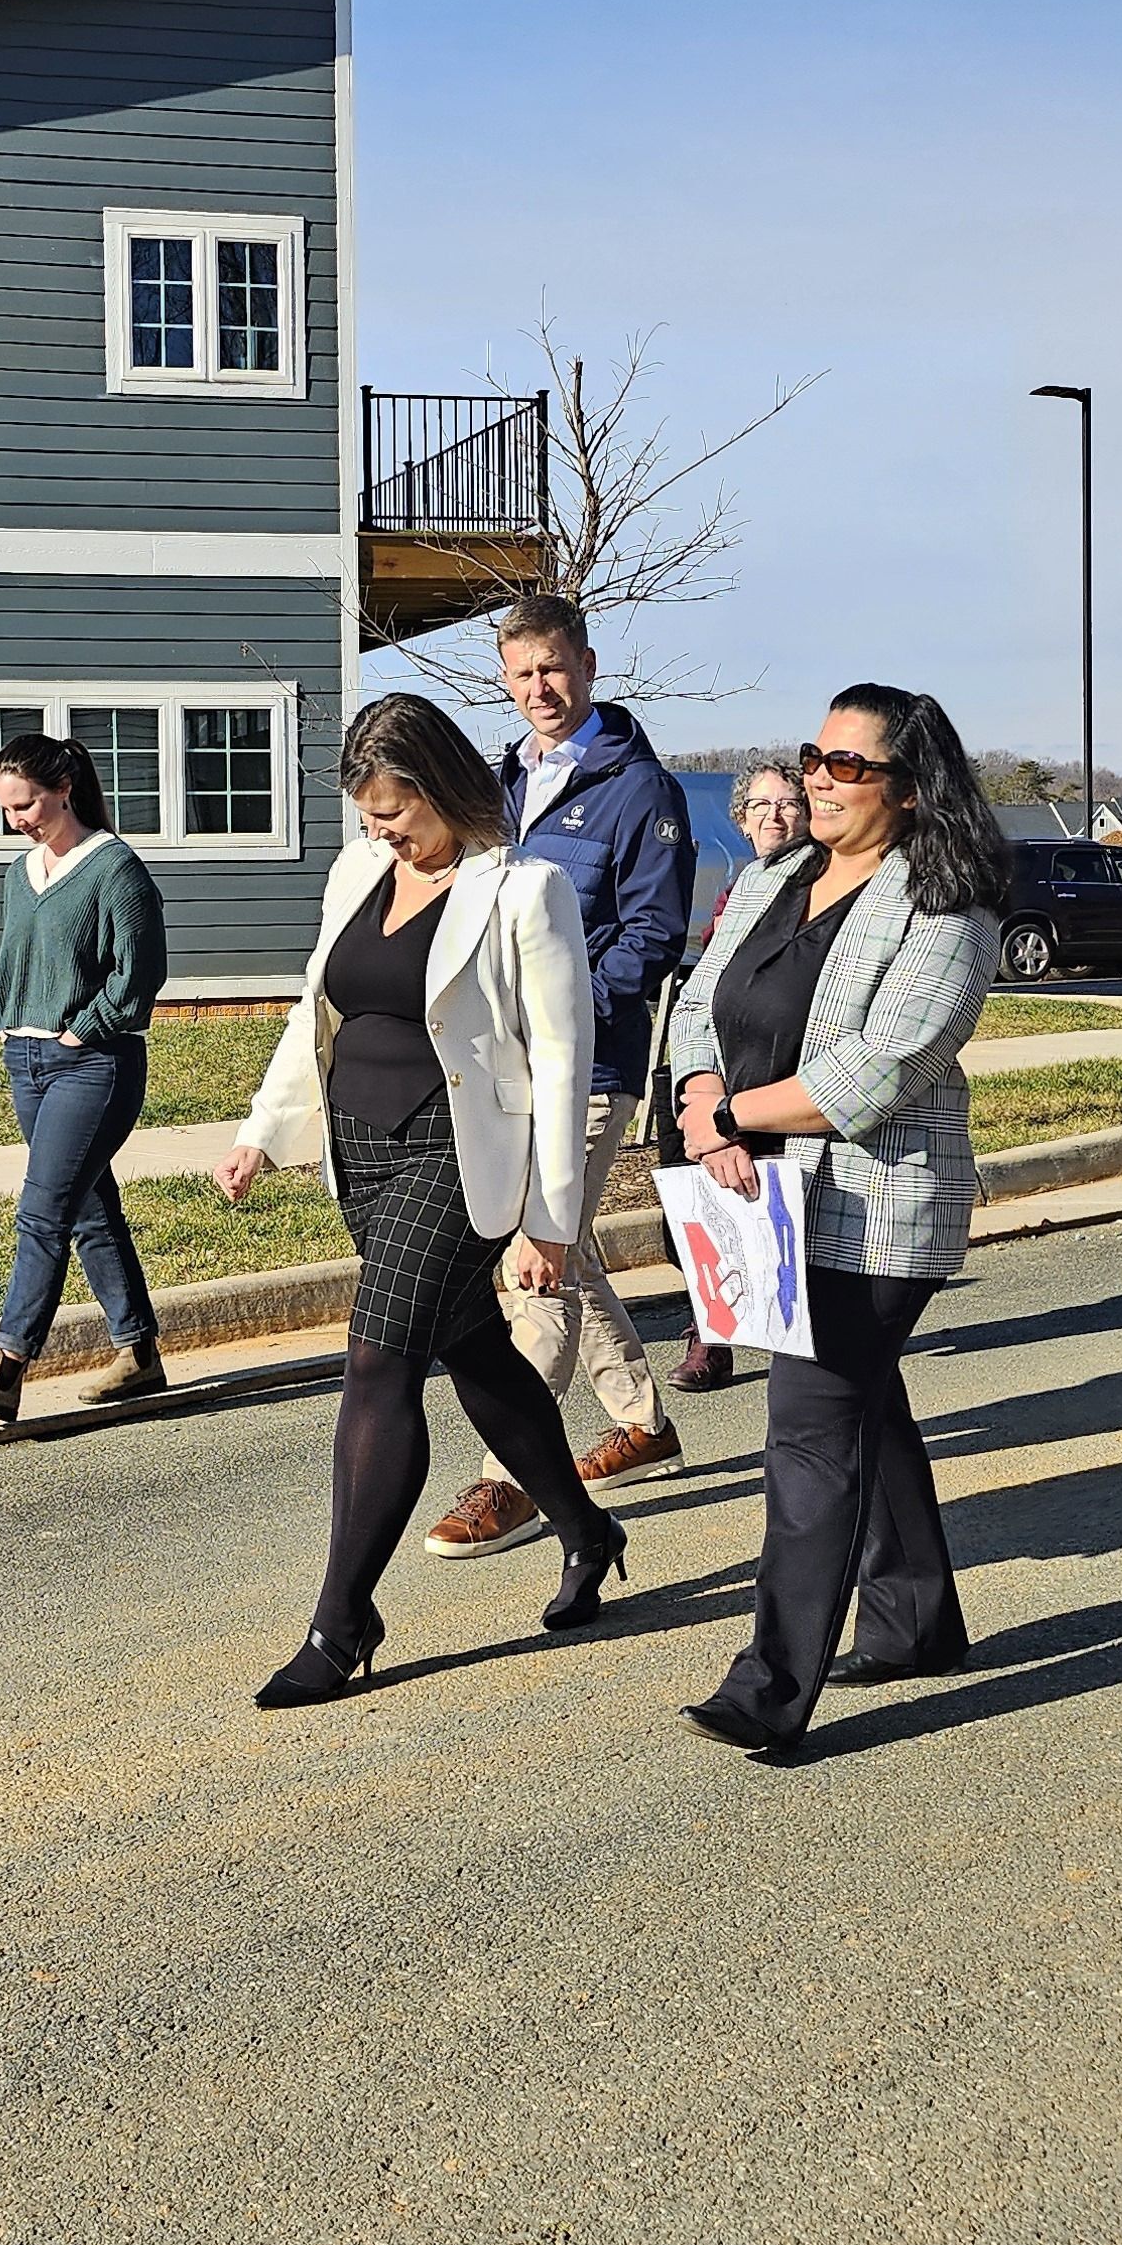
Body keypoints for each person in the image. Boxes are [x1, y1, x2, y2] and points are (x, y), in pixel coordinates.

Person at [214, 694, 633, 1707]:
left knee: (376, 1361)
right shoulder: (356, 872)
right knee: (474, 1350)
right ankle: (585, 1529)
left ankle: (340, 1620)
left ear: (444, 788)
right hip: (359, 1147)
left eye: (396, 811)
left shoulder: (524, 891)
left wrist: (550, 1216)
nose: (381, 831)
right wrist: (261, 1133)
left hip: (458, 1156)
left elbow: (561, 1057)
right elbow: (314, 1009)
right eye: (367, 814)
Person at [664, 686, 1008, 1753]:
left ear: (909, 791)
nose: (821, 775)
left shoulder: (944, 904)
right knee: (863, 1402)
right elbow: (695, 1002)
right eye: (817, 755)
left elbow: (881, 1070)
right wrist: (695, 1103)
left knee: (808, 1431)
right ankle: (914, 1620)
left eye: (851, 765)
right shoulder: (778, 876)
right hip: (760, 1193)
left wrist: (731, 1111)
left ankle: (767, 1686)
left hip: (874, 1210)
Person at [419, 594, 697, 1558]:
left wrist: (557, 1011)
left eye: (556, 667)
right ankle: (643, 1420)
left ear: (587, 662)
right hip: (502, 1063)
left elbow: (653, 936)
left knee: (535, 1258)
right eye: (523, 671)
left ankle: (512, 1481)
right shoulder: (499, 786)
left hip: (587, 1063)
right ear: (506, 677)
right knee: (568, 1248)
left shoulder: (640, 790)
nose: (542, 687)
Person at [0, 733, 172, 1425]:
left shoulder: (115, 868)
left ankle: (5, 1367)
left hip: (93, 1063)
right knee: (89, 1207)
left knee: (43, 1211)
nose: (17, 820)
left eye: (26, 804)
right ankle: (139, 1353)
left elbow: (141, 973)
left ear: (63, 788)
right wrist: (6, 1020)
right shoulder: (19, 872)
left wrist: (83, 1029)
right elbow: (17, 956)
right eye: (6, 808)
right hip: (27, 1061)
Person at [668, 766, 814, 1396]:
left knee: (773, 1212)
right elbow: (700, 992)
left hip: (776, 1076)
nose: (775, 816)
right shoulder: (746, 882)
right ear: (742, 818)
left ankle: (785, 1333)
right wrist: (702, 1093)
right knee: (700, 1210)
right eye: (761, 805)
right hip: (716, 1073)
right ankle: (713, 1324)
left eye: (789, 804)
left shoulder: (816, 879)